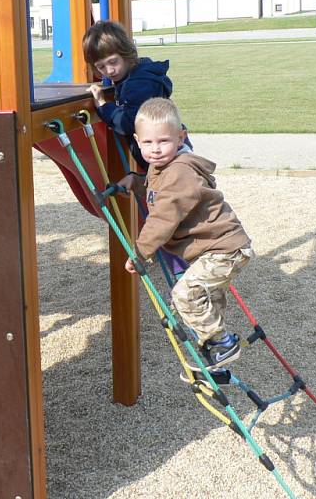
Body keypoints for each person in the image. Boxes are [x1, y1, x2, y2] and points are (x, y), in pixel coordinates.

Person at [120, 98, 253, 370]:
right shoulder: (163, 168)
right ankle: (216, 358)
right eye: (148, 143)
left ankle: (223, 344)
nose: (155, 150)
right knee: (207, 299)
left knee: (185, 295)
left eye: (164, 141)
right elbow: (162, 194)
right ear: (137, 140)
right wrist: (137, 182)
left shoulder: (180, 170)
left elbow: (164, 215)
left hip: (222, 250)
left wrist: (140, 252)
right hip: (218, 249)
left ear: (182, 137)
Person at [82, 20, 174, 171]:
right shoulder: (137, 75)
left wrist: (103, 105)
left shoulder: (138, 83)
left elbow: (129, 123)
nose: (109, 71)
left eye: (113, 62)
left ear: (126, 53)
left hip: (168, 159)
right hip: (166, 154)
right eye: (101, 67)